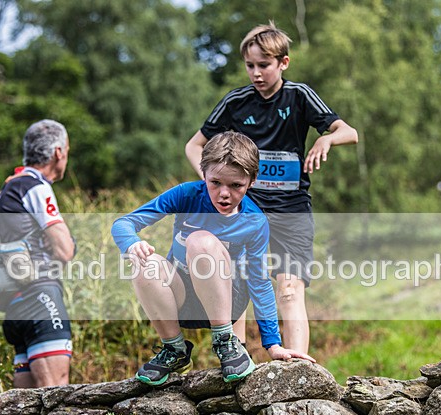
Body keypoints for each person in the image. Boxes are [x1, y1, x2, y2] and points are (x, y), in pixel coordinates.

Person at [184, 22, 358, 354]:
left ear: (283, 63)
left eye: (264, 65)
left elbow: (350, 132)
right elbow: (194, 146)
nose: (256, 73)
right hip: (246, 210)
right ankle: (235, 363)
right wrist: (212, 181)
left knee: (289, 289)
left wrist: (327, 138)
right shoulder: (236, 102)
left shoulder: (299, 96)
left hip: (292, 211)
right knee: (238, 286)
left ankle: (298, 369)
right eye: (250, 66)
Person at [112, 132, 315, 386]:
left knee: (201, 241)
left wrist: (273, 345)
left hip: (227, 302)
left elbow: (259, 282)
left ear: (251, 181)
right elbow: (124, 223)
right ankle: (174, 349)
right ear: (203, 173)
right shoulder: (187, 195)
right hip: (183, 299)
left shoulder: (254, 220)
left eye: (235, 186)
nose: (224, 194)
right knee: (145, 263)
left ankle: (225, 340)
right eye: (215, 182)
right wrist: (131, 244)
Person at [0, 119, 76, 387]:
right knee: (56, 394)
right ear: (58, 152)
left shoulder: (6, 189)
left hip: (13, 303)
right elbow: (64, 250)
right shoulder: (35, 186)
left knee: (26, 407)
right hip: (40, 296)